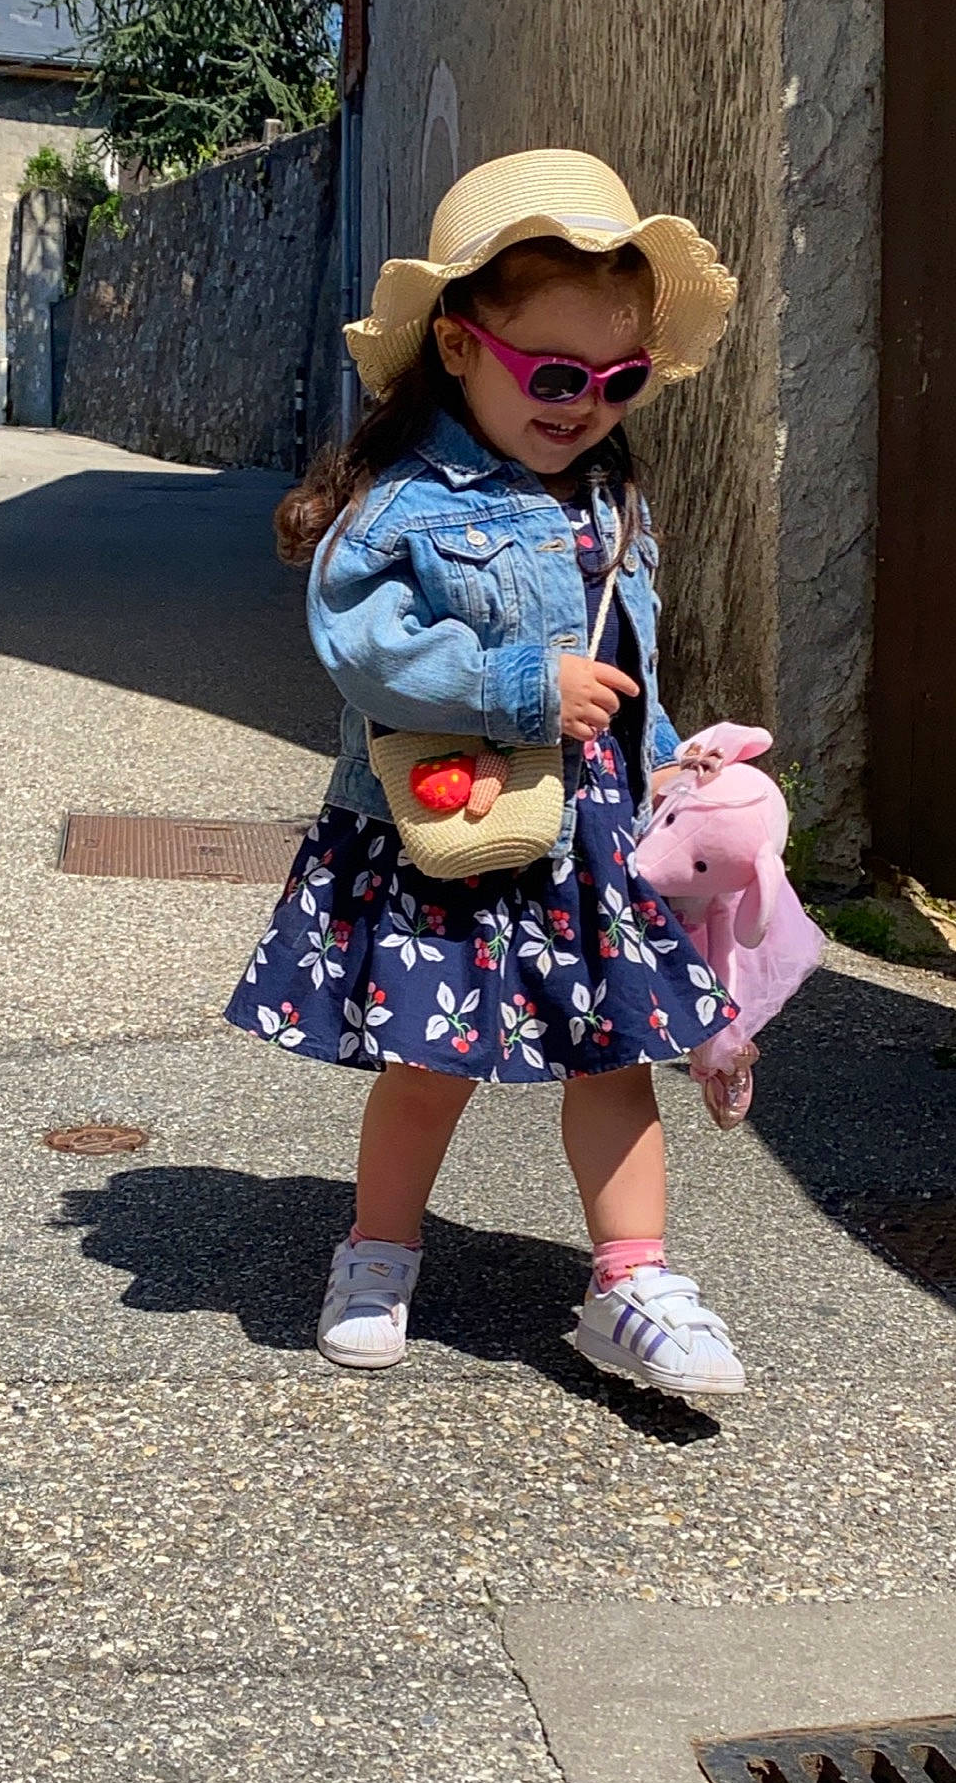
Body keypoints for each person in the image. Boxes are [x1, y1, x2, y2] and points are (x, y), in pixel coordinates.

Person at [227, 148, 746, 1396]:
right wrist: (523, 685)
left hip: (591, 832)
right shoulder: (405, 501)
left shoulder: (608, 494)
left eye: (616, 380)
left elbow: (624, 653)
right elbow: (361, 647)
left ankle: (632, 1277)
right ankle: (377, 1248)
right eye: (554, 374)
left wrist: (670, 757)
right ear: (459, 347)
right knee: (428, 1061)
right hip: (452, 825)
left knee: (612, 1055)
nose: (584, 405)